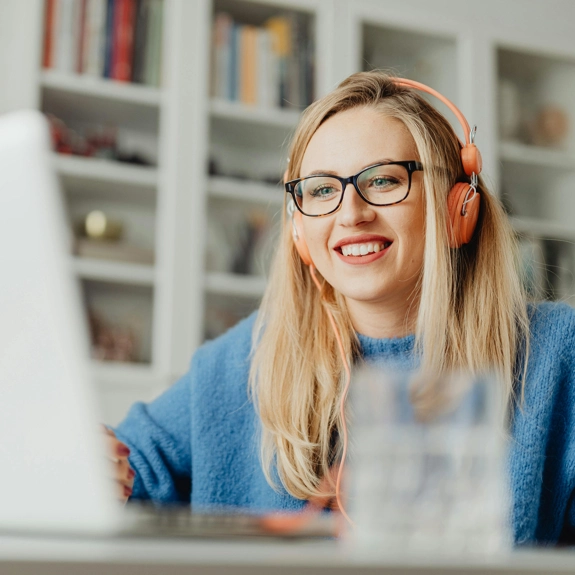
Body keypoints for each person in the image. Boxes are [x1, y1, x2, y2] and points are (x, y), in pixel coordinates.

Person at [108, 71, 575, 545]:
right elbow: (129, 471)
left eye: (384, 179)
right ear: (298, 231)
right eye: (323, 190)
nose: (351, 213)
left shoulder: (559, 353)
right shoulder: (243, 359)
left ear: (459, 207)